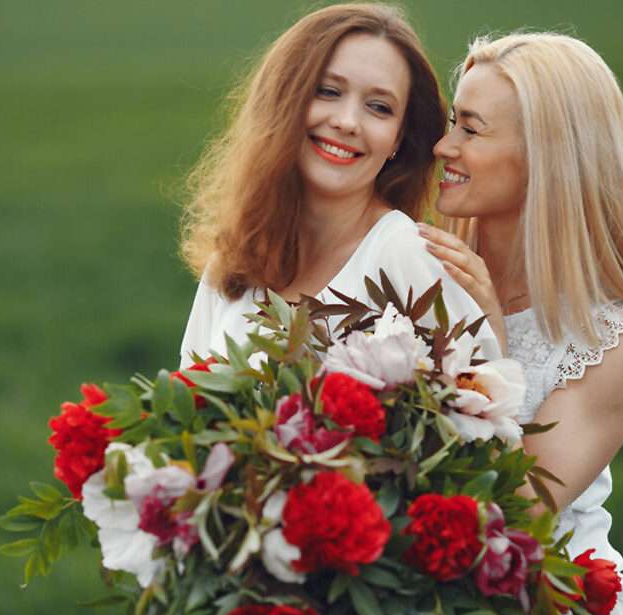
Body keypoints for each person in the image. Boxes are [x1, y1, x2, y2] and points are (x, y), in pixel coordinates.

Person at [419, 32, 623, 615]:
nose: (443, 147)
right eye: (453, 122)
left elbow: (517, 512)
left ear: (546, 156)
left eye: (471, 129)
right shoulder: (418, 268)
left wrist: (487, 335)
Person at [178, 3, 499, 368]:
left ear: (399, 137)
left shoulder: (407, 255)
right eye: (328, 92)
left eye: (379, 107)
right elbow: (185, 408)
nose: (347, 122)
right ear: (283, 100)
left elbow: (485, 409)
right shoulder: (236, 258)